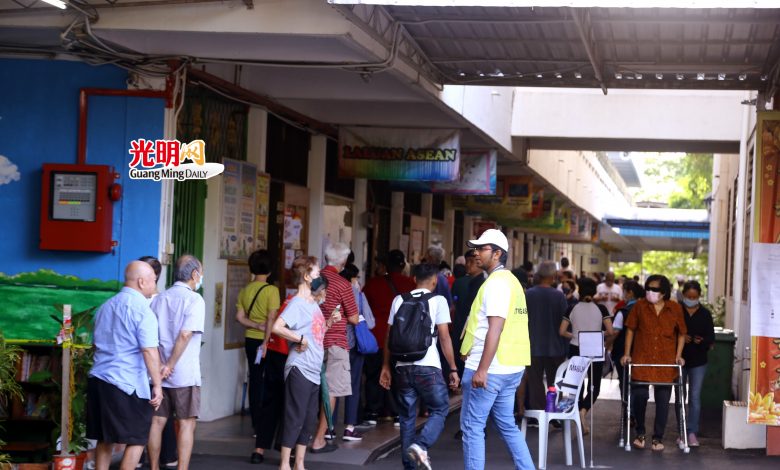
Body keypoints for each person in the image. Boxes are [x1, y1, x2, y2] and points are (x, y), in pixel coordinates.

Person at [459, 229, 534, 470]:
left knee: (472, 427)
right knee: (506, 425)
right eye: (476, 249)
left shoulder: (497, 284)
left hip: (490, 368)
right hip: (510, 367)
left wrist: (482, 370)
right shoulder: (511, 282)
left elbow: (495, 329)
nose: (476, 253)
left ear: (498, 253)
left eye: (482, 249)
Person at [380, 263, 460, 470]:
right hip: (428, 367)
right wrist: (452, 367)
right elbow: (444, 337)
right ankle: (420, 445)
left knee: (407, 417)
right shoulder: (438, 300)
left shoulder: (399, 299)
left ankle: (410, 465)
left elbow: (389, 336)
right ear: (435, 281)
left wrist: (386, 366)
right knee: (440, 408)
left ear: (414, 279)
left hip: (402, 368)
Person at [87, 261, 163, 470]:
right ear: (141, 282)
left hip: (99, 380)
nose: (155, 286)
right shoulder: (143, 311)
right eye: (154, 281)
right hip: (126, 384)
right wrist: (157, 384)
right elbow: (149, 350)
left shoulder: (105, 307)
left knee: (105, 437)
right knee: (137, 438)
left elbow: (95, 344)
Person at [272, 257, 341, 470]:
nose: (320, 277)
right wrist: (299, 339)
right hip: (300, 367)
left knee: (309, 417)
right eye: (317, 273)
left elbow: (316, 334)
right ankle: (285, 463)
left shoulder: (313, 303)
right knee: (295, 415)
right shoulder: (297, 303)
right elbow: (277, 327)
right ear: (306, 276)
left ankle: (299, 462)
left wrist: (329, 322)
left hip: (313, 368)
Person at [147, 255, 206, 470]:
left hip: (157, 374)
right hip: (183, 373)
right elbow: (185, 334)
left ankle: (153, 467)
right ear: (194, 274)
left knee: (157, 422)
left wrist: (161, 366)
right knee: (186, 423)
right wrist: (171, 364)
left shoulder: (158, 299)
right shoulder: (195, 300)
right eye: (201, 272)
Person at [620, 275, 687, 452]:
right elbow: (630, 329)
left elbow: (681, 333)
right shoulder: (640, 306)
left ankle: (658, 438)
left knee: (663, 401)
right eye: (648, 288)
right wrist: (627, 354)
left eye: (655, 289)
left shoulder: (674, 308)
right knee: (640, 396)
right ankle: (640, 433)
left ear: (664, 292)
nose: (650, 292)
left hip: (666, 362)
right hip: (642, 359)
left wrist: (678, 355)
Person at [311, 242, 359, 453]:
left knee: (309, 391)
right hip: (335, 343)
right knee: (331, 389)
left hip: (311, 341)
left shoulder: (313, 279)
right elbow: (355, 318)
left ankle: (303, 438)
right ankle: (319, 438)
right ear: (344, 262)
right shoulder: (343, 284)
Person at [235, 250, 282, 463]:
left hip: (250, 339)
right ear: (270, 269)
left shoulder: (245, 290)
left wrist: (254, 325)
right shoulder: (272, 290)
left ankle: (256, 423)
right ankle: (265, 423)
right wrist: (266, 339)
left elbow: (239, 317)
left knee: (255, 379)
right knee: (269, 383)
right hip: (267, 341)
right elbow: (273, 317)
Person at [362, 249, 416, 424]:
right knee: (399, 375)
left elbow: (363, 307)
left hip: (376, 336)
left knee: (373, 375)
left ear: (385, 265)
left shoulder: (372, 283)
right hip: (400, 338)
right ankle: (397, 413)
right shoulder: (411, 284)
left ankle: (372, 412)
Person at [558, 277, 615, 434]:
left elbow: (561, 331)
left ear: (579, 291)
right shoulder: (602, 309)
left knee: (576, 384)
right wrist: (597, 335)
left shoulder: (571, 308)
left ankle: (575, 414)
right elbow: (610, 332)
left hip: (575, 349)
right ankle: (584, 411)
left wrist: (576, 335)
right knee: (594, 386)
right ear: (595, 291)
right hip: (595, 350)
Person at [138, 256, 177, 469]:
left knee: (151, 415)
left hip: (147, 366)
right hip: (158, 366)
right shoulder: (162, 300)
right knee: (162, 414)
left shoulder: (144, 301)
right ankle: (168, 456)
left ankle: (142, 457)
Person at [524, 261, 569, 413]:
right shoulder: (559, 296)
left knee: (535, 382)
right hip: (555, 346)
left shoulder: (528, 295)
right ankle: (554, 412)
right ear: (553, 276)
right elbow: (565, 321)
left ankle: (537, 413)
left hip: (532, 345)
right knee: (555, 382)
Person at [674, 280, 715, 447]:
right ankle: (681, 431)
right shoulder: (677, 311)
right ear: (683, 295)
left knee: (695, 397)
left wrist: (701, 340)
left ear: (699, 296)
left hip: (699, 360)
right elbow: (671, 331)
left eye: (694, 297)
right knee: (679, 397)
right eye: (688, 296)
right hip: (679, 359)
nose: (691, 299)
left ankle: (692, 432)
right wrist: (683, 337)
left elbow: (711, 339)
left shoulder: (705, 314)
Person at [340, 263, 376, 441]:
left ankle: (326, 428)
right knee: (353, 385)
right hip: (354, 345)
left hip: (335, 344)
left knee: (331, 386)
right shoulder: (358, 295)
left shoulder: (332, 292)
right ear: (354, 279)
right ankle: (349, 427)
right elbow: (370, 323)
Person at [611, 280, 645, 405]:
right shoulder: (645, 310)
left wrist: (606, 345)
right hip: (642, 352)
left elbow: (615, 333)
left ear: (630, 293)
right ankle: (637, 414)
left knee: (625, 383)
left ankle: (628, 413)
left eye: (624, 292)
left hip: (622, 353)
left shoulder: (623, 312)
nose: (623, 294)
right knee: (639, 385)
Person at [451, 249, 481, 378]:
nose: (468, 265)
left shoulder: (483, 283)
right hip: (460, 326)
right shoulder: (461, 282)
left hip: (472, 330)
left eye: (471, 262)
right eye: (466, 261)